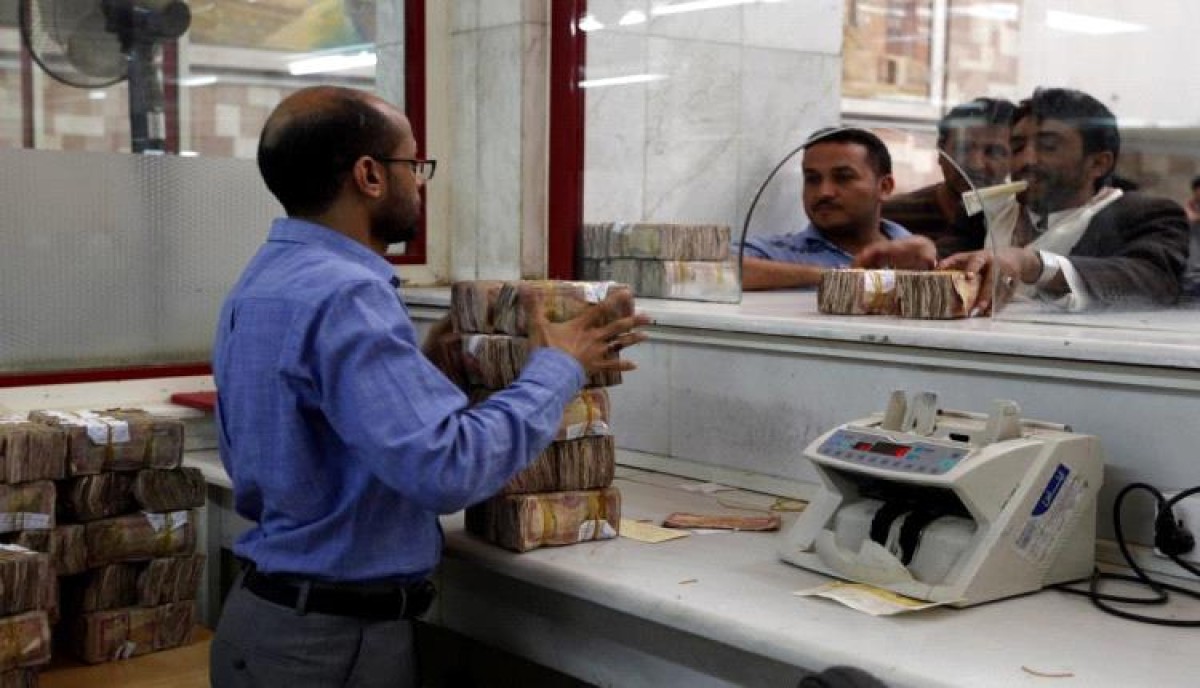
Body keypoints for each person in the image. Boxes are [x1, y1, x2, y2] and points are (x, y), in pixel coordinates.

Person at [208, 85, 650, 688]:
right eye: (412, 165)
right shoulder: (347, 293)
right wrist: (556, 367)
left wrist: (424, 368)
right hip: (329, 647)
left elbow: (319, 421)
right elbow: (448, 471)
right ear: (368, 175)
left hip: (273, 624)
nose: (419, 182)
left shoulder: (271, 275)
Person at [859, 87, 1189, 313]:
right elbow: (953, 263)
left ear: (1098, 163)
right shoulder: (983, 211)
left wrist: (1031, 263)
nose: (1026, 160)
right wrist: (927, 262)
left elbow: (1152, 281)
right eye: (1017, 147)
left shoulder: (1146, 215)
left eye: (1048, 145)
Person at [739, 127, 910, 290]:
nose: (824, 192)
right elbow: (718, 269)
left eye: (843, 178)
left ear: (885, 187)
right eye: (812, 179)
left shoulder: (914, 253)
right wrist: (836, 276)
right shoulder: (779, 253)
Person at [883, 97, 1021, 255]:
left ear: (1015, 159)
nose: (976, 163)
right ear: (941, 152)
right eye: (963, 149)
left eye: (994, 152)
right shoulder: (891, 217)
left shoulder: (1023, 221)